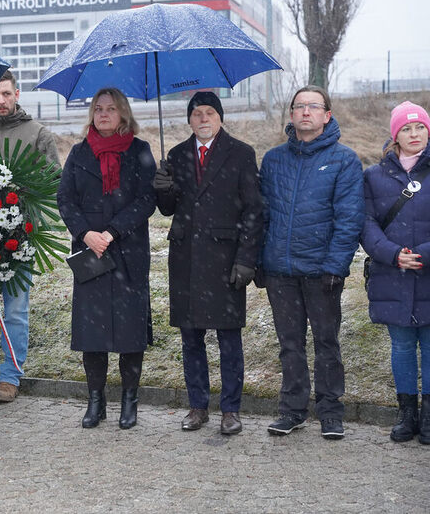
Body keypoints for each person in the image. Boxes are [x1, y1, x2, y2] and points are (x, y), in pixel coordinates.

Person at [154, 91, 263, 435]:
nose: (203, 119)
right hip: (186, 259)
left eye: (209, 113)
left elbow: (254, 210)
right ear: (189, 119)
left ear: (220, 118)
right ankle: (197, 405)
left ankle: (231, 409)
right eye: (197, 113)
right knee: (191, 339)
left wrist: (247, 258)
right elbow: (169, 208)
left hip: (225, 261)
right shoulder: (176, 155)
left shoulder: (241, 154)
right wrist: (162, 188)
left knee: (229, 340)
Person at [259, 85, 364, 440]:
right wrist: (261, 260)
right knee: (289, 343)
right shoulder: (273, 160)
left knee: (326, 342)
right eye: (299, 106)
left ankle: (331, 412)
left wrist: (336, 266)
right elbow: (261, 214)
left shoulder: (344, 160)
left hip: (322, 271)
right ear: (291, 115)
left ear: (326, 115)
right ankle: (292, 410)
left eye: (313, 106)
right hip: (281, 272)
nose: (305, 112)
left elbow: (349, 219)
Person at [57, 87, 156, 430]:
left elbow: (146, 201)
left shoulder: (140, 151)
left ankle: (130, 401)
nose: (103, 114)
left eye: (110, 109)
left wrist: (112, 232)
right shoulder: (79, 153)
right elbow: (65, 199)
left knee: (129, 333)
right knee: (92, 333)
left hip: (128, 251)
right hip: (89, 253)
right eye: (98, 109)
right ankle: (95, 401)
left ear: (123, 113)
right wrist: (86, 234)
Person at [0, 69, 60, 403]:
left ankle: (11, 375)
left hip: (20, 237)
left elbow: (53, 181)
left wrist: (25, 194)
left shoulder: (37, 133)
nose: (1, 100)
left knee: (16, 311)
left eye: (6, 94)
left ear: (17, 94)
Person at [361, 101, 430, 444]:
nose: (414, 134)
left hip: (428, 272)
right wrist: (392, 255)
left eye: (420, 127)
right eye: (406, 128)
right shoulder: (374, 176)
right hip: (393, 275)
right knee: (402, 347)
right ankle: (407, 415)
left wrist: (422, 255)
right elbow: (366, 223)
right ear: (395, 135)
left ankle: (429, 417)